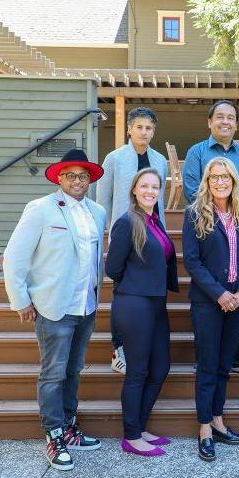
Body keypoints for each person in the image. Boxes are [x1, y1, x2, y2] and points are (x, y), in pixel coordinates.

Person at [3, 149, 106, 471]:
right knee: (53, 373)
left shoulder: (98, 212)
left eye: (83, 176)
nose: (78, 181)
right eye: (71, 176)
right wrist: (20, 299)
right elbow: (14, 257)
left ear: (90, 180)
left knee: (74, 371)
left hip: (85, 304)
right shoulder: (40, 209)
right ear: (60, 178)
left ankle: (70, 426)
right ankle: (54, 433)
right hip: (53, 306)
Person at [182, 157, 239, 461]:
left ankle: (218, 421)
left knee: (224, 365)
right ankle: (204, 429)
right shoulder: (194, 215)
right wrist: (219, 294)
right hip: (208, 303)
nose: (220, 182)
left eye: (225, 177)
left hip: (236, 304)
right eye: (214, 178)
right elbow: (192, 262)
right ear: (207, 181)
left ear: (233, 181)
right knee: (208, 366)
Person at [182, 99, 239, 373]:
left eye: (230, 117)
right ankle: (206, 354)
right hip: (208, 228)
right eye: (219, 117)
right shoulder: (197, 152)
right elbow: (193, 189)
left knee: (236, 280)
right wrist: (214, 215)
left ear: (237, 124)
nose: (225, 121)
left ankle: (230, 350)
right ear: (210, 122)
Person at [105, 168, 179, 457]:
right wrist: (136, 284)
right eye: (144, 186)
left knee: (160, 367)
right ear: (134, 190)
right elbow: (113, 268)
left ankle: (140, 425)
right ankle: (131, 435)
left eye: (155, 187)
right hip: (134, 303)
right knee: (137, 372)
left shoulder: (154, 221)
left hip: (156, 303)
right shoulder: (127, 222)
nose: (150, 191)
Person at [97, 107, 169, 375]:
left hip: (151, 233)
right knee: (121, 289)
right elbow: (103, 197)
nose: (144, 132)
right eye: (139, 127)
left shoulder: (159, 160)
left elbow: (159, 200)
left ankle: (143, 344)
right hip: (124, 231)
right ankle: (119, 349)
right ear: (129, 129)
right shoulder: (114, 159)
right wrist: (107, 230)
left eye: (149, 128)